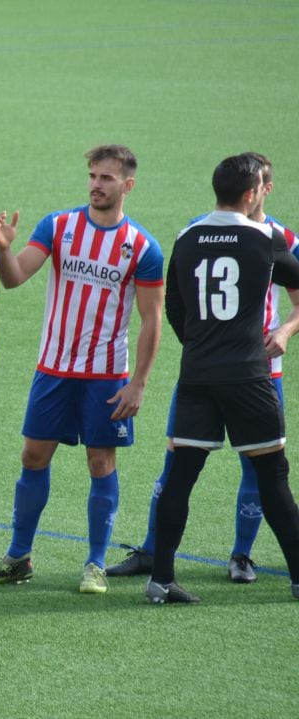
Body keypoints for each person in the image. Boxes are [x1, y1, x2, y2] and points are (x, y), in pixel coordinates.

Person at [0, 144, 164, 594]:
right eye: (93, 176)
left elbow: (152, 318)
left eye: (107, 178)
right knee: (33, 456)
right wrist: (3, 250)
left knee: (100, 461)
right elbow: (15, 277)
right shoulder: (59, 227)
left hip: (107, 375)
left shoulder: (142, 246)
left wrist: (139, 383)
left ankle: (95, 564)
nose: (96, 184)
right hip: (53, 369)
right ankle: (18, 558)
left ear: (127, 185)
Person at [108, 151, 299, 583]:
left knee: (180, 476)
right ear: (253, 194)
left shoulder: (188, 237)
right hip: (250, 377)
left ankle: (161, 581)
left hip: (197, 374)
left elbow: (173, 304)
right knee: (273, 478)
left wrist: (198, 344)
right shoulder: (267, 237)